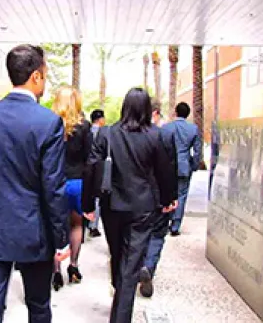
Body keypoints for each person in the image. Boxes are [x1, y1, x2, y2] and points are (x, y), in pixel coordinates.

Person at [0, 44, 68, 323]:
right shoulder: (48, 122)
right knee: (38, 305)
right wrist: (61, 238)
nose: (45, 80)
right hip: (34, 229)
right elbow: (53, 186)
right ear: (36, 76)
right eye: (45, 74)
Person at [84, 87, 177, 323]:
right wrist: (168, 199)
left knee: (119, 258)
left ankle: (120, 300)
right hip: (143, 207)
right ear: (147, 109)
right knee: (129, 263)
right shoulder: (156, 136)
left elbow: (91, 168)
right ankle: (122, 299)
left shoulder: (107, 134)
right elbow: (165, 171)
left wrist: (88, 204)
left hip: (112, 206)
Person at [51, 86, 92, 291]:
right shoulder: (84, 127)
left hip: (55, 182)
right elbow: (89, 159)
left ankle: (55, 270)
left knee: (55, 226)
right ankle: (73, 266)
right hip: (77, 183)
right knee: (76, 225)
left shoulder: (50, 124)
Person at [139, 99, 178, 298]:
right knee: (157, 234)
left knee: (141, 234)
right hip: (158, 196)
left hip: (138, 197)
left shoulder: (132, 135)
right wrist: (171, 197)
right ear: (154, 113)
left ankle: (140, 263)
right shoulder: (164, 135)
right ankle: (149, 265)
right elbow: (170, 169)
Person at [162, 102, 202, 236]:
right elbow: (197, 151)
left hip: (168, 166)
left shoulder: (166, 128)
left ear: (176, 112)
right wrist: (194, 165)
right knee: (182, 195)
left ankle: (166, 220)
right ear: (188, 114)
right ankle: (175, 225)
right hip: (185, 165)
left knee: (168, 192)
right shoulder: (193, 129)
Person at [88, 109, 105, 238]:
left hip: (85, 167)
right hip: (98, 168)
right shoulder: (103, 133)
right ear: (100, 119)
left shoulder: (87, 131)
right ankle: (93, 226)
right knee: (97, 198)